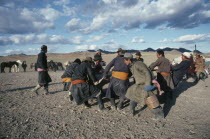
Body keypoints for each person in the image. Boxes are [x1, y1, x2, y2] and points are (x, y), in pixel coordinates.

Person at [124, 53, 164, 119]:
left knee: (150, 99)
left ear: (129, 60)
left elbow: (146, 72)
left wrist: (148, 85)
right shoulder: (132, 65)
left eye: (125, 60)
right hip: (139, 84)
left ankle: (159, 114)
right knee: (132, 95)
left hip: (146, 84)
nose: (124, 62)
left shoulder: (138, 64)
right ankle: (131, 111)